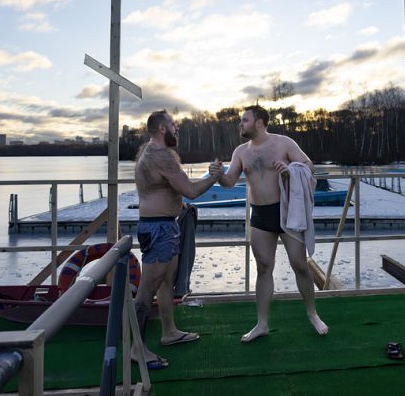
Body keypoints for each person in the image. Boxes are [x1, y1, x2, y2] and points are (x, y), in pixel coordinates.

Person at [216, 105, 328, 342]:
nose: (241, 125)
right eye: (241, 121)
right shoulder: (240, 152)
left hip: (286, 211)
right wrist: (217, 174)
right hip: (260, 214)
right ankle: (262, 324)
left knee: (299, 264)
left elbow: (309, 167)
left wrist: (290, 170)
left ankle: (312, 313)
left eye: (245, 120)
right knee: (264, 267)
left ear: (259, 122)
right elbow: (228, 181)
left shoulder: (283, 143)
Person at [132, 110, 222, 369]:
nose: (177, 129)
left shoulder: (147, 152)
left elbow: (175, 187)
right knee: (147, 291)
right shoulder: (161, 156)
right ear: (162, 128)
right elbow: (191, 191)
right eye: (173, 125)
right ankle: (135, 349)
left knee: (166, 283)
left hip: (164, 226)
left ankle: (169, 332)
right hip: (158, 229)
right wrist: (214, 177)